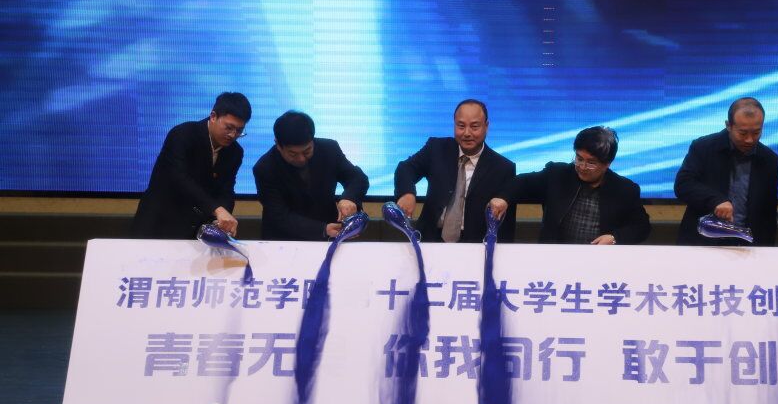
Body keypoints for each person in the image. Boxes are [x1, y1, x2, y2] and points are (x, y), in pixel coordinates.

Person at [495, 126, 650, 245]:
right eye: (579, 158)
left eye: (591, 163)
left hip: (600, 263)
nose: (582, 167)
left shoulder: (624, 189)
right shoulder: (557, 175)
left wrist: (614, 238)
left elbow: (641, 227)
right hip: (555, 259)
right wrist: (504, 198)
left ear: (607, 163)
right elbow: (522, 183)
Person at [394, 99, 515, 242]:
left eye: (474, 126)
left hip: (475, 246)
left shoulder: (502, 168)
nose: (467, 133)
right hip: (430, 240)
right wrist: (407, 193)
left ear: (486, 126)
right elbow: (405, 169)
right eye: (461, 126)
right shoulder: (436, 149)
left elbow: (505, 226)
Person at [132, 92, 251, 239]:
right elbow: (180, 179)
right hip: (159, 222)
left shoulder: (235, 152)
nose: (233, 135)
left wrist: (221, 218)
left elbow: (226, 190)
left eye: (239, 131)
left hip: (194, 229)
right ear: (213, 116)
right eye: (229, 127)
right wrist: (216, 209)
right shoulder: (183, 135)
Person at [674, 97, 778, 246]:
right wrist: (715, 200)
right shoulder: (703, 147)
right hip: (702, 242)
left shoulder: (770, 159)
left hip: (746, 245)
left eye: (756, 132)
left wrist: (766, 248)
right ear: (728, 125)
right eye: (743, 133)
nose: (749, 140)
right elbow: (683, 185)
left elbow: (767, 213)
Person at [253, 111, 369, 241]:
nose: (301, 159)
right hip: (284, 240)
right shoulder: (265, 168)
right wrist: (322, 229)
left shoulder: (329, 149)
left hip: (328, 236)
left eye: (307, 151)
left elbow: (357, 178)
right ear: (278, 145)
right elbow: (280, 216)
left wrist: (349, 198)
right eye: (293, 154)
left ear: (312, 140)